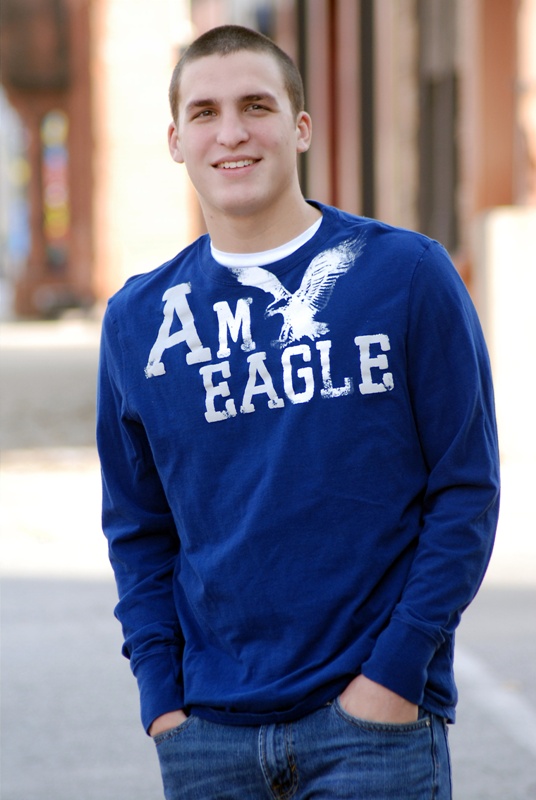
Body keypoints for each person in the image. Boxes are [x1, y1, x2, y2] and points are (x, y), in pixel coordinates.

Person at [96, 24, 500, 800]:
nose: (232, 132)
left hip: (373, 728)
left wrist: (396, 674)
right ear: (176, 141)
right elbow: (138, 528)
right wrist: (163, 702)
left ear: (300, 127)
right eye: (205, 112)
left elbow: (465, 490)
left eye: (256, 105)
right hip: (208, 736)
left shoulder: (407, 275)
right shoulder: (138, 321)